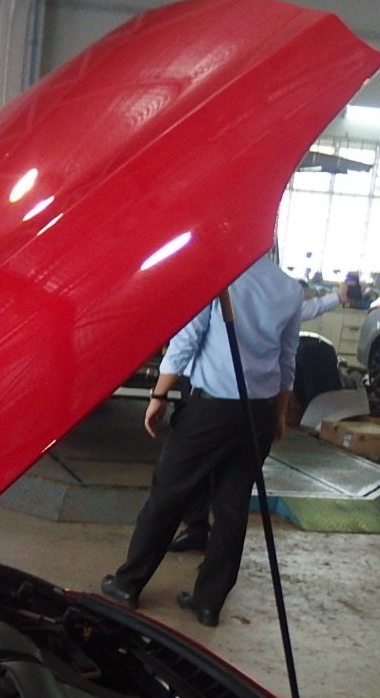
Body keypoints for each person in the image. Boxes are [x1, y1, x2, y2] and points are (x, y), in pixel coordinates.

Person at [101, 254, 303, 627]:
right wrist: (279, 414)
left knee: (168, 494)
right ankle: (208, 602)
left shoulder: (220, 278)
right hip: (258, 414)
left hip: (211, 411)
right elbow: (288, 359)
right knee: (232, 507)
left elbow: (187, 340)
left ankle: (128, 583)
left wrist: (159, 394)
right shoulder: (290, 289)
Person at [165, 276, 350, 553]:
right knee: (210, 473)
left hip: (234, 395)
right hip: (203, 383)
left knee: (221, 479)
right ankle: (198, 529)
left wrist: (159, 393)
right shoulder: (213, 278)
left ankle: (208, 553)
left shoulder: (266, 284)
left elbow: (295, 323)